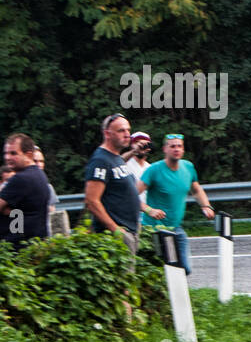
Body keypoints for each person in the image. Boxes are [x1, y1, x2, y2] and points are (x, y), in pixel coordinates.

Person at [139, 133, 213, 274]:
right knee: (160, 272)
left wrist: (205, 205)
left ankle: (176, 295)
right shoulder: (154, 170)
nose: (176, 149)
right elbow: (131, 196)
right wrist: (149, 210)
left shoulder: (188, 167)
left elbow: (196, 190)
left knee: (185, 269)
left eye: (179, 146)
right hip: (153, 230)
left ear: (183, 150)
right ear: (165, 149)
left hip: (176, 228)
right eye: (172, 146)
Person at [84, 113, 140, 257]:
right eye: (121, 131)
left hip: (129, 231)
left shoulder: (116, 157)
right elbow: (92, 201)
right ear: (107, 134)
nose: (127, 134)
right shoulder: (100, 160)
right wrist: (115, 229)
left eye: (128, 130)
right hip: (113, 238)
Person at [0, 134, 51, 247]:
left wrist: (3, 207)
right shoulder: (39, 174)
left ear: (28, 155)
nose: (7, 157)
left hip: (17, 248)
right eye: (6, 153)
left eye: (13, 153)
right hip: (33, 244)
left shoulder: (21, 179)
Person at [33, 147, 70, 237]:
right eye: (35, 161)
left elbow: (52, 215)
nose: (39, 165)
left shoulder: (48, 188)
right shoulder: (17, 186)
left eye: (41, 161)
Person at [123, 131, 152, 203]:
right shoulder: (124, 164)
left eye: (145, 144)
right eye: (137, 143)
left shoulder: (150, 168)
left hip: (146, 211)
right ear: (131, 145)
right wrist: (134, 151)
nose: (141, 146)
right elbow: (115, 162)